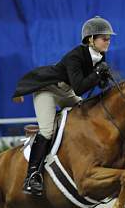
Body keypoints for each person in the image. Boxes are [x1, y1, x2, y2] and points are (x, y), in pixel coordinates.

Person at [12, 16, 116, 195]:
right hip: (48, 91)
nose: (108, 41)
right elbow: (80, 86)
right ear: (91, 39)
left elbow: (92, 84)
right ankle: (32, 176)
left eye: (109, 38)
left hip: (66, 92)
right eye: (104, 38)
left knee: (86, 111)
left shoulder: (99, 56)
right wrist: (97, 74)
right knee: (47, 130)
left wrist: (102, 77)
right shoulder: (75, 56)